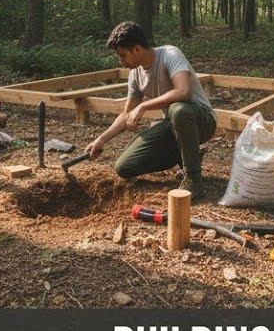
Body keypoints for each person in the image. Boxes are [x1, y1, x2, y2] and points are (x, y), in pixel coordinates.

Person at [84, 21, 217, 199]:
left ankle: (193, 179)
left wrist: (144, 105)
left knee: (178, 110)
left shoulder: (170, 54)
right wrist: (101, 140)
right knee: (124, 167)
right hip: (173, 125)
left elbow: (183, 91)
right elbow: (127, 114)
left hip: (202, 121)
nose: (121, 60)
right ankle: (188, 154)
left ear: (137, 49)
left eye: (123, 55)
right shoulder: (135, 75)